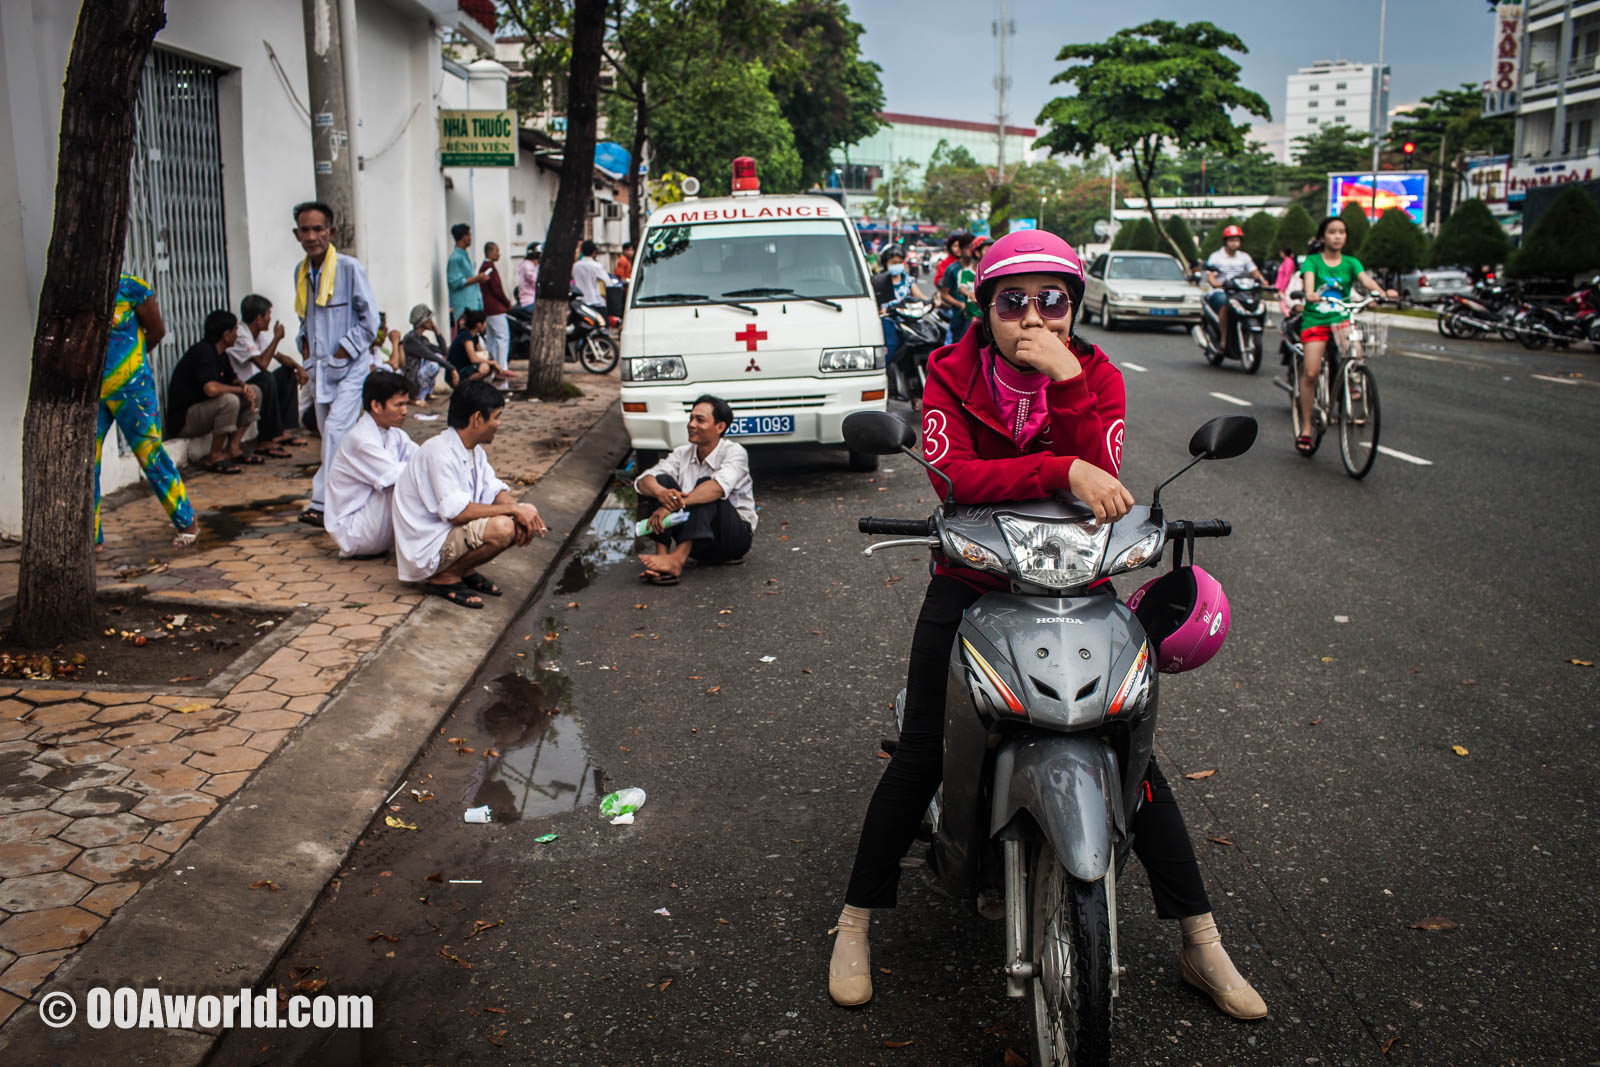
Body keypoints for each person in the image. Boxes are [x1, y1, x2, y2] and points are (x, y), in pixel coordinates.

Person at [828, 230, 1267, 1023]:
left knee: (1132, 750)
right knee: (924, 747)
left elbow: (1103, 471)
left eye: (1053, 300)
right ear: (984, 307)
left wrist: (1066, 387)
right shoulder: (947, 372)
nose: (1034, 317)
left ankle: (1201, 940)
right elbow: (954, 475)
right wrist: (1057, 470)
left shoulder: (1094, 375)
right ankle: (854, 924)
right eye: (1013, 301)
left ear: (1075, 304)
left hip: (1082, 588)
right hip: (971, 583)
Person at [392, 379, 547, 608]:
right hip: (427, 545)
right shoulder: (439, 452)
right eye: (496, 416)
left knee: (523, 513)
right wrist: (514, 511)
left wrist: (522, 512)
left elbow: (493, 489)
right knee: (503, 527)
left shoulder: (474, 451)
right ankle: (445, 577)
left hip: (448, 534)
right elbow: (457, 513)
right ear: (477, 418)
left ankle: (464, 570)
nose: (499, 423)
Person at [291, 200, 379, 528]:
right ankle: (355, 494)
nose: (312, 236)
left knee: (335, 431)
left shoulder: (348, 268)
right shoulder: (301, 273)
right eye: (305, 230)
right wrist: (304, 350)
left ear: (331, 231)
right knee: (330, 433)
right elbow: (306, 318)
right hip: (320, 370)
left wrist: (343, 353)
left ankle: (324, 502)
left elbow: (370, 322)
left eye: (318, 229)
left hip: (351, 367)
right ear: (296, 234)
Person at [94, 273, 198, 548]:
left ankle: (187, 522)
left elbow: (157, 332)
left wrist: (132, 359)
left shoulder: (131, 287)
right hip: (90, 393)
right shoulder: (75, 289)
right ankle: (91, 538)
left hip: (133, 389)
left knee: (150, 456)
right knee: (85, 463)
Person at [1295, 216, 1396, 455]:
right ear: (1322, 237)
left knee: (1356, 356)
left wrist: (1382, 293)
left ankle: (1353, 383)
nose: (1337, 236)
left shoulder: (1351, 263)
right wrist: (1310, 294)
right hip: (1316, 320)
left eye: (1342, 232)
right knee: (1310, 372)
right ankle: (1307, 427)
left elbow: (1365, 280)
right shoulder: (1312, 261)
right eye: (1332, 232)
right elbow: (1308, 282)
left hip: (1342, 320)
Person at [634, 395, 756, 584]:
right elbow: (643, 480)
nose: (691, 424)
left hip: (730, 539)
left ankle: (677, 559)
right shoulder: (682, 453)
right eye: (691, 418)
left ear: (720, 427)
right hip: (698, 541)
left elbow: (716, 488)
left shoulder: (735, 452)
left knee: (707, 487)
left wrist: (672, 506)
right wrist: (661, 493)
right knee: (661, 482)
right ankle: (662, 557)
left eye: (700, 420)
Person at [325, 370, 418, 559]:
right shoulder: (361, 439)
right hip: (355, 532)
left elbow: (422, 458)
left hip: (375, 529)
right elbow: (400, 475)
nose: (405, 411)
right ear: (376, 405)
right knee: (409, 483)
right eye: (399, 405)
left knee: (424, 473)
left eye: (406, 404)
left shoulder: (395, 434)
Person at [165, 310, 264, 474]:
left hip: (203, 412)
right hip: (185, 420)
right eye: (235, 331)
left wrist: (243, 387)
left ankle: (233, 448)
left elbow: (232, 379)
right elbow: (211, 389)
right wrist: (239, 390)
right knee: (229, 400)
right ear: (226, 334)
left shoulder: (221, 354)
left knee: (255, 391)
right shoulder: (204, 352)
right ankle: (214, 456)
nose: (237, 335)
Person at [234, 294, 310, 452]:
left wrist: (298, 367)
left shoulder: (258, 336)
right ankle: (266, 438)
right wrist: (276, 338)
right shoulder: (241, 334)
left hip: (257, 382)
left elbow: (279, 356)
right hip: (242, 385)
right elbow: (262, 363)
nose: (270, 319)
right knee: (267, 378)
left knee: (287, 372)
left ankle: (282, 431)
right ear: (258, 318)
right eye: (268, 314)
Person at [1204, 225, 1268, 346]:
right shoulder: (1216, 257)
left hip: (1240, 291)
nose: (1234, 243)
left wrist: (1262, 281)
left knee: (1260, 305)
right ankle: (1223, 339)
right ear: (1225, 241)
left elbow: (1254, 272)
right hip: (1221, 291)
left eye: (1237, 240)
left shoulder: (1244, 257)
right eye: (1231, 240)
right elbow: (1211, 275)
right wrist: (1214, 283)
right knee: (1225, 305)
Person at [872, 247, 929, 367]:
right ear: (885, 263)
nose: (896, 265)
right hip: (888, 318)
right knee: (892, 344)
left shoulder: (907, 279)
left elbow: (918, 295)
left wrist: (931, 301)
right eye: (893, 263)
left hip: (907, 318)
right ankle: (884, 370)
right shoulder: (879, 281)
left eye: (899, 262)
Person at [402, 304, 458, 403]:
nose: (431, 322)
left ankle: (426, 393)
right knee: (434, 363)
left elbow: (443, 351)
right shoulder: (411, 339)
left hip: (417, 378)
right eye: (429, 320)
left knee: (438, 356)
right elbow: (429, 355)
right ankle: (416, 397)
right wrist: (451, 368)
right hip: (412, 380)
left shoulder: (422, 339)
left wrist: (437, 332)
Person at [479, 242, 512, 389]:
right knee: (502, 337)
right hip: (496, 308)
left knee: (491, 339)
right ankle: (501, 366)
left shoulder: (485, 268)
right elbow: (496, 289)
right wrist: (506, 302)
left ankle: (493, 367)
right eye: (497, 251)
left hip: (488, 308)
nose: (498, 254)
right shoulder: (489, 268)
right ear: (490, 251)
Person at [449, 309, 505, 386]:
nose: (485, 325)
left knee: (487, 365)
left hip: (465, 369)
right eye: (484, 323)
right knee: (485, 368)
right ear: (479, 324)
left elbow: (482, 354)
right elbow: (473, 359)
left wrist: (490, 362)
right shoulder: (466, 336)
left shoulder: (474, 337)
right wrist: (493, 363)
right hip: (456, 373)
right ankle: (462, 385)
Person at [447, 223, 488, 329]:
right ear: (463, 237)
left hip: (472, 306)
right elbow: (454, 282)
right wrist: (477, 278)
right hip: (464, 308)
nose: (470, 238)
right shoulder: (455, 258)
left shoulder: (464, 256)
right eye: (469, 235)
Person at [938, 233, 977, 341]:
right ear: (960, 249)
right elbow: (944, 294)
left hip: (979, 316)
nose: (970, 250)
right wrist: (961, 305)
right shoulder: (952, 269)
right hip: (960, 317)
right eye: (967, 247)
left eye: (972, 247)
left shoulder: (981, 267)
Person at [572, 239, 609, 310]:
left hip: (580, 302)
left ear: (582, 251)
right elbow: (608, 283)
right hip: (595, 302)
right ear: (594, 252)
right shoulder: (597, 266)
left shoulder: (576, 266)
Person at [1272, 245, 1302, 319]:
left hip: (1286, 287)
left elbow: (1287, 276)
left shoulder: (1288, 261)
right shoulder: (1286, 261)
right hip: (1282, 286)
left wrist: (1282, 289)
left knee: (1284, 305)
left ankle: (1291, 318)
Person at [516, 243, 541, 311]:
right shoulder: (527, 265)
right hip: (529, 301)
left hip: (536, 300)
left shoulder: (535, 265)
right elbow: (536, 280)